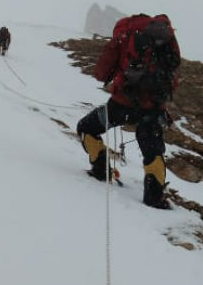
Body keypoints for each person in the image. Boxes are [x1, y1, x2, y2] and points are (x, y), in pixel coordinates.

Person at [76, 14, 181, 209]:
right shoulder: (166, 41)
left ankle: (100, 169)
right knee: (153, 152)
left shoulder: (126, 34)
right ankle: (154, 196)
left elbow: (101, 73)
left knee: (86, 128)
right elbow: (172, 78)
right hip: (154, 108)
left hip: (122, 104)